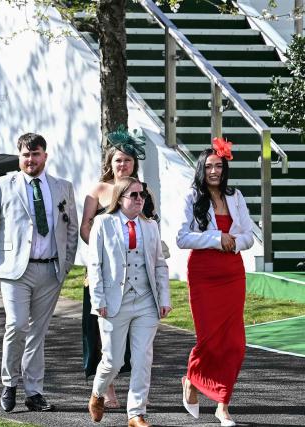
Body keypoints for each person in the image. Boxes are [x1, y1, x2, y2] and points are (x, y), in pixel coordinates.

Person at [0, 133, 78, 413]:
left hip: (50, 270)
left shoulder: (63, 187)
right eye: (26, 155)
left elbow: (72, 228)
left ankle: (34, 392)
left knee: (38, 334)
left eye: (36, 154)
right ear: (19, 157)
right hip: (15, 270)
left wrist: (65, 265)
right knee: (16, 325)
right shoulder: (4, 185)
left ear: (45, 156)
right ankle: (9, 383)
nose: (31, 160)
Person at [80, 125, 158, 409]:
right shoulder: (99, 190)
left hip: (139, 280)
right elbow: (86, 226)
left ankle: (136, 407)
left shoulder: (142, 191)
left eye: (127, 160)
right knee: (103, 336)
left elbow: (151, 223)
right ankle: (106, 388)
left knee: (140, 348)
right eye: (118, 160)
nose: (122, 164)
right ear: (110, 164)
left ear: (134, 163)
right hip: (105, 272)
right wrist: (106, 250)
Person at [176, 139, 253, 427]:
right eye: (208, 166)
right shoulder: (191, 196)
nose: (214, 171)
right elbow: (182, 238)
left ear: (225, 168)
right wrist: (215, 238)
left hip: (232, 272)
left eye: (218, 166)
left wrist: (233, 243)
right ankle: (192, 380)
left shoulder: (236, 195)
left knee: (234, 343)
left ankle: (223, 405)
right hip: (204, 273)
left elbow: (248, 235)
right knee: (209, 341)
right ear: (201, 169)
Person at [87, 176, 171, 427]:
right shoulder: (103, 223)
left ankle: (136, 413)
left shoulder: (150, 226)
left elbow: (159, 264)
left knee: (143, 357)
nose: (139, 199)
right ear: (120, 198)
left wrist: (164, 297)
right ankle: (97, 393)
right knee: (113, 360)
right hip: (114, 302)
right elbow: (95, 265)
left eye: (142, 195)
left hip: (146, 300)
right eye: (133, 195)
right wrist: (98, 299)